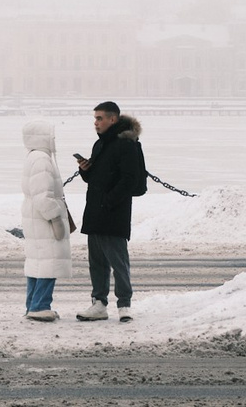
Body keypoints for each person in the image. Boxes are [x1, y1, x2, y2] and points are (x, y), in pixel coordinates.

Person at [74, 100, 145, 323]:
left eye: (99, 118)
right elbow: (98, 177)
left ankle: (124, 304)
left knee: (118, 261)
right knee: (97, 262)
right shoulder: (101, 144)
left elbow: (129, 179)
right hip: (96, 210)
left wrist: (108, 201)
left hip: (113, 212)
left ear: (112, 119)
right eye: (95, 118)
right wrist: (86, 171)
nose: (95, 123)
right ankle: (99, 303)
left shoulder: (126, 144)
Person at [17, 120, 73, 322]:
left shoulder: (33, 157)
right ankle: (40, 305)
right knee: (49, 263)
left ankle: (33, 304)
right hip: (43, 220)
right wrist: (55, 217)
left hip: (34, 218)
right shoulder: (42, 160)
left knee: (38, 264)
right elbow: (43, 196)